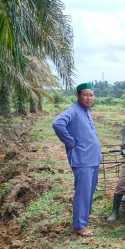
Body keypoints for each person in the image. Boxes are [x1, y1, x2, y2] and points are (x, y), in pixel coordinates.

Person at [52, 83, 102, 237]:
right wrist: (70, 142)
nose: (89, 98)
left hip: (92, 158)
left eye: (91, 95)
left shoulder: (86, 111)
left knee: (90, 189)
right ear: (78, 96)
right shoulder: (73, 111)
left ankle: (85, 214)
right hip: (82, 159)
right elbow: (57, 124)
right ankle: (80, 226)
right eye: (85, 95)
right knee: (83, 191)